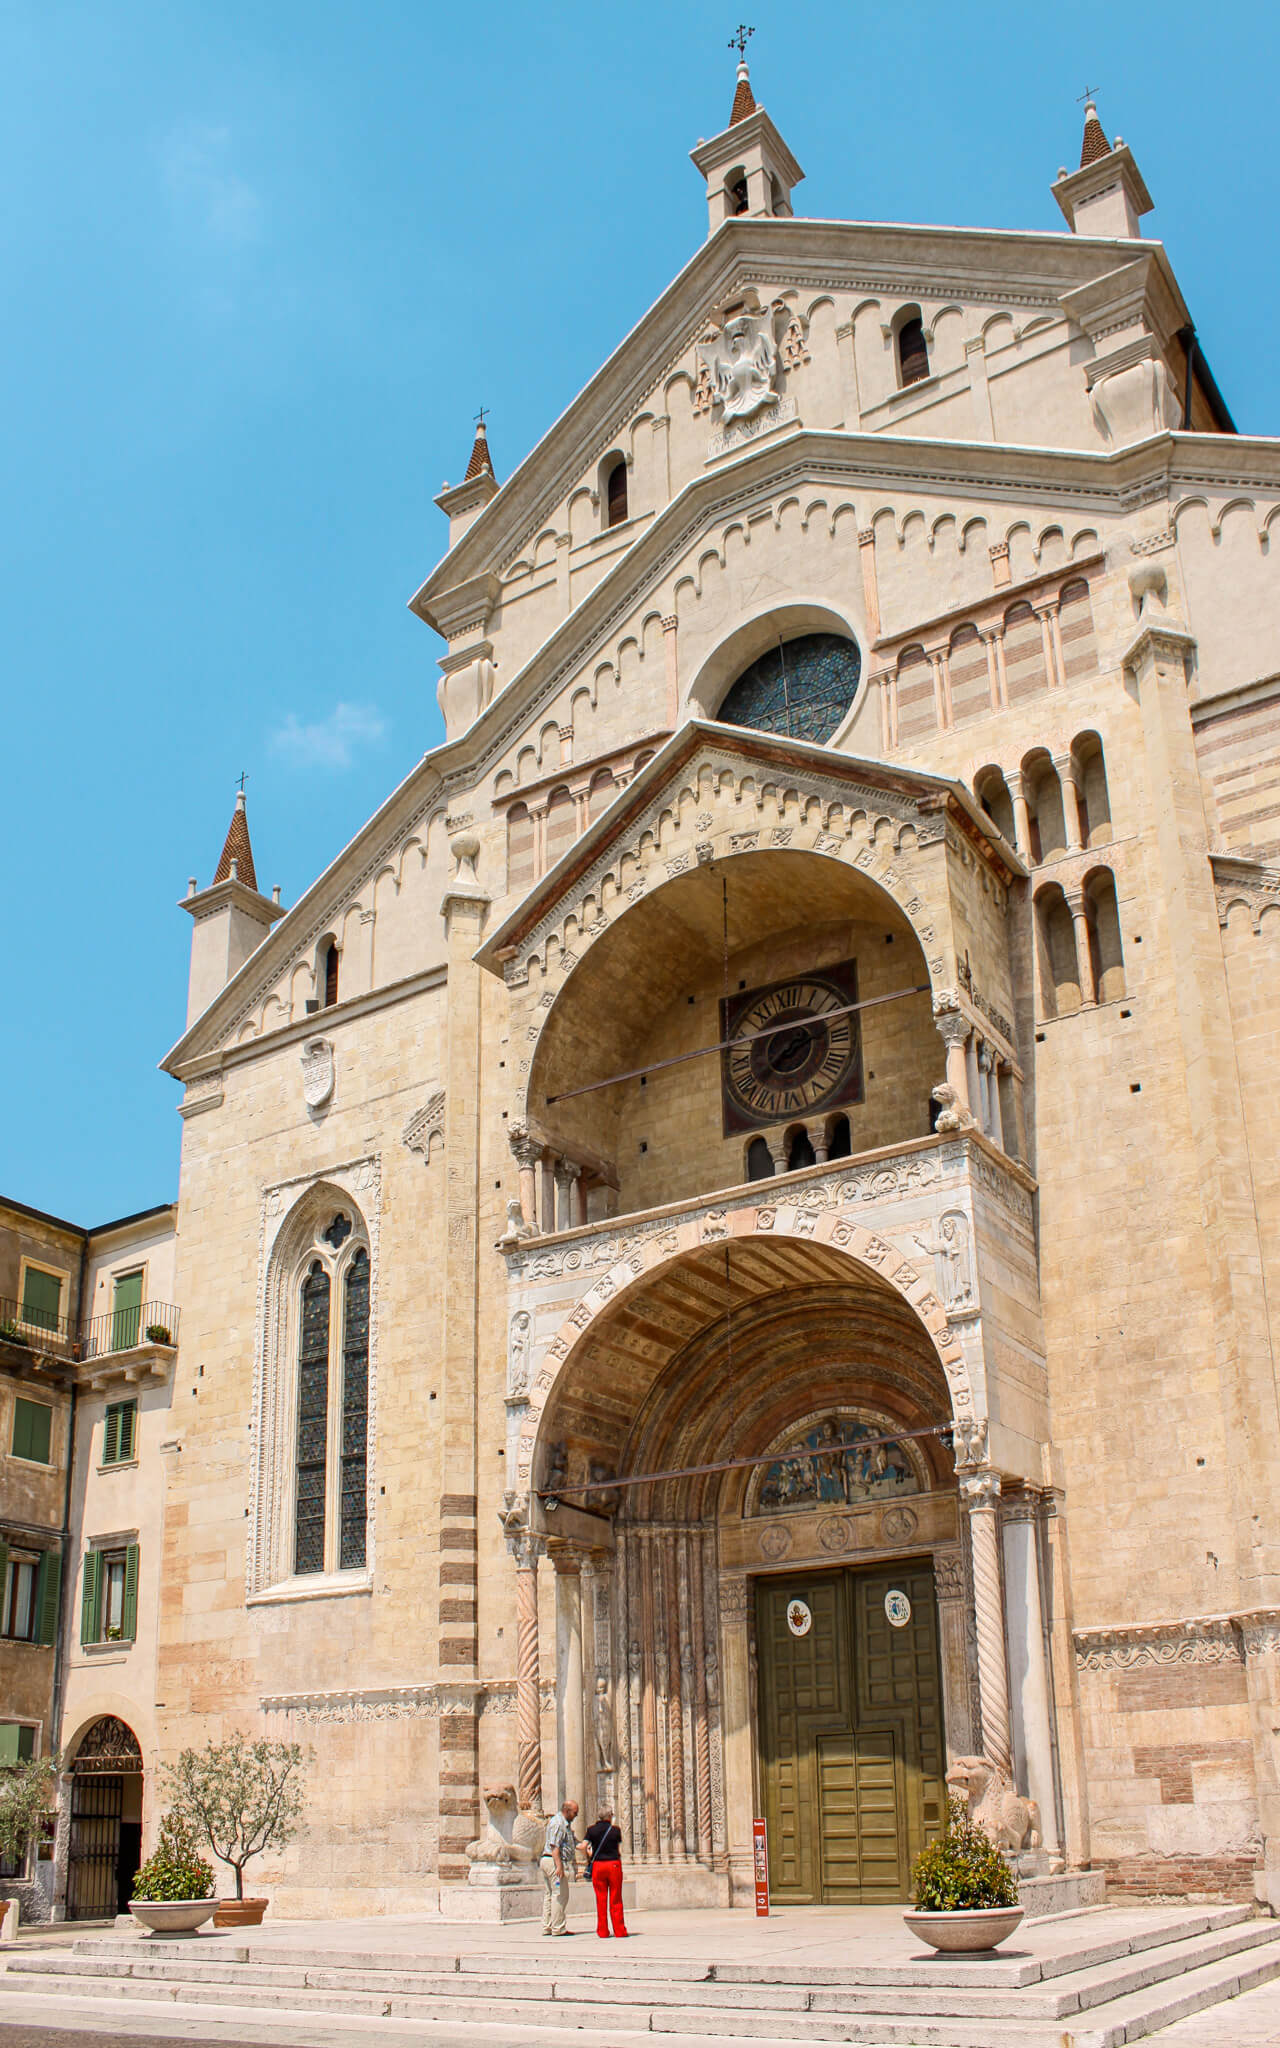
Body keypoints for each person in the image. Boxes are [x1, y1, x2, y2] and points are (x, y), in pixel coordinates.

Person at [583, 1806, 628, 1939]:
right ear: (609, 1816)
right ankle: (619, 1930)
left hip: (598, 1866)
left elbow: (585, 1846)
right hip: (613, 1864)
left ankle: (602, 1931)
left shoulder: (591, 1830)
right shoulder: (615, 1830)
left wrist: (589, 1856)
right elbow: (617, 1847)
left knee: (601, 1899)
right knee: (616, 1898)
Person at [539, 1799, 579, 1937]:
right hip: (553, 1862)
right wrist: (559, 1866)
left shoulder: (563, 1824)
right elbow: (554, 1846)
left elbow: (572, 1843)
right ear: (567, 1811)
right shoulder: (559, 1823)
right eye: (575, 1813)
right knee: (560, 1894)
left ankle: (547, 1926)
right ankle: (558, 1928)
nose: (576, 1816)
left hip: (548, 1861)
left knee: (550, 1894)